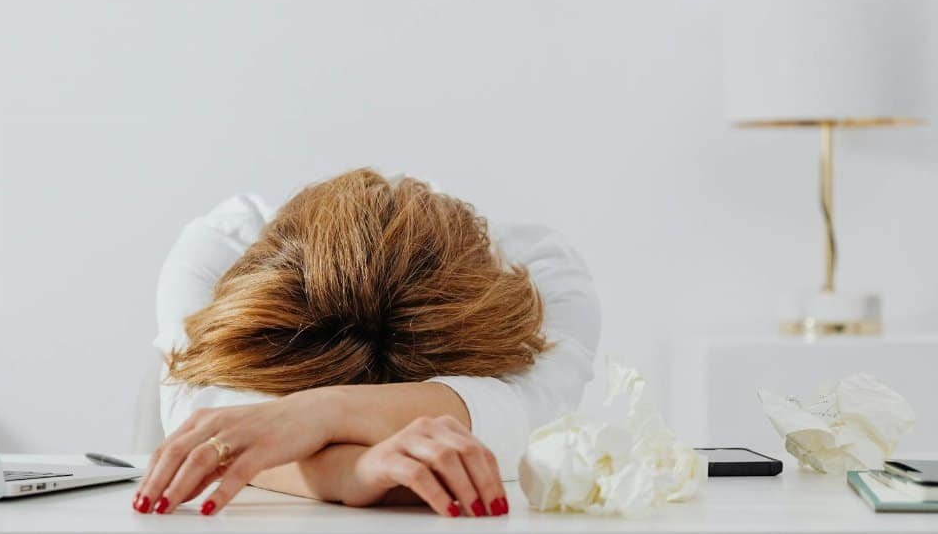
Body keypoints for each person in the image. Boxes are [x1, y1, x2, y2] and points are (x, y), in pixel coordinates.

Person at [134, 169, 600, 517]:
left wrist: (319, 413)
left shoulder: (542, 272)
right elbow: (214, 426)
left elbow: (530, 417)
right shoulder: (223, 242)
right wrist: (348, 472)